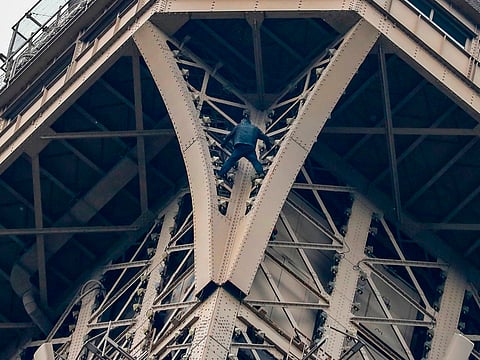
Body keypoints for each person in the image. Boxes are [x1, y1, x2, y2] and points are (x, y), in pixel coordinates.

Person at [218, 114, 272, 179]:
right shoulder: (255, 128)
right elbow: (265, 138)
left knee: (230, 161)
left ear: (242, 122)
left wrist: (223, 144)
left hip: (239, 147)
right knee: (255, 161)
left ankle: (220, 174)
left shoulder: (238, 126)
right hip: (250, 148)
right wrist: (268, 147)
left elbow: (229, 136)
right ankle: (261, 173)